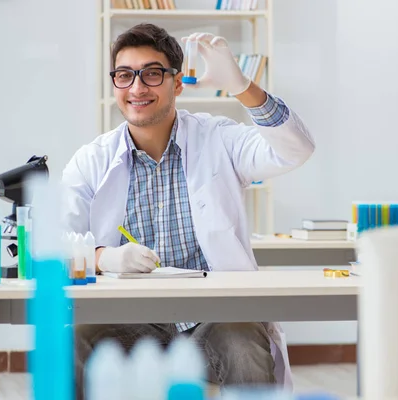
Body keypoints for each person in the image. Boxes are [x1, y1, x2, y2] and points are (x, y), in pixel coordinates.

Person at [61, 23, 315, 398]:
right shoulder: (91, 161)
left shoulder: (218, 138)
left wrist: (242, 86)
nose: (136, 87)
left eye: (152, 74)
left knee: (244, 341)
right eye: (124, 75)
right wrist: (103, 258)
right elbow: (57, 245)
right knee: (77, 339)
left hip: (216, 316)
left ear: (177, 84)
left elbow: (294, 149)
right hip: (130, 318)